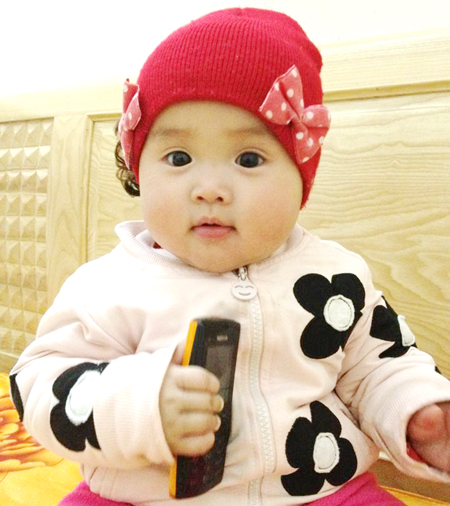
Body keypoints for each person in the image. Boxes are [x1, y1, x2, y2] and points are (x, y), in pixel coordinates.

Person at [9, 8, 450, 506]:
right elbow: (39, 384)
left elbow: (376, 365)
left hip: (321, 491)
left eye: (248, 159)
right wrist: (140, 403)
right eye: (179, 158)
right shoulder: (109, 285)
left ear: (301, 177)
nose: (210, 189)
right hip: (143, 495)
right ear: (138, 169)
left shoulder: (336, 276)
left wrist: (418, 409)